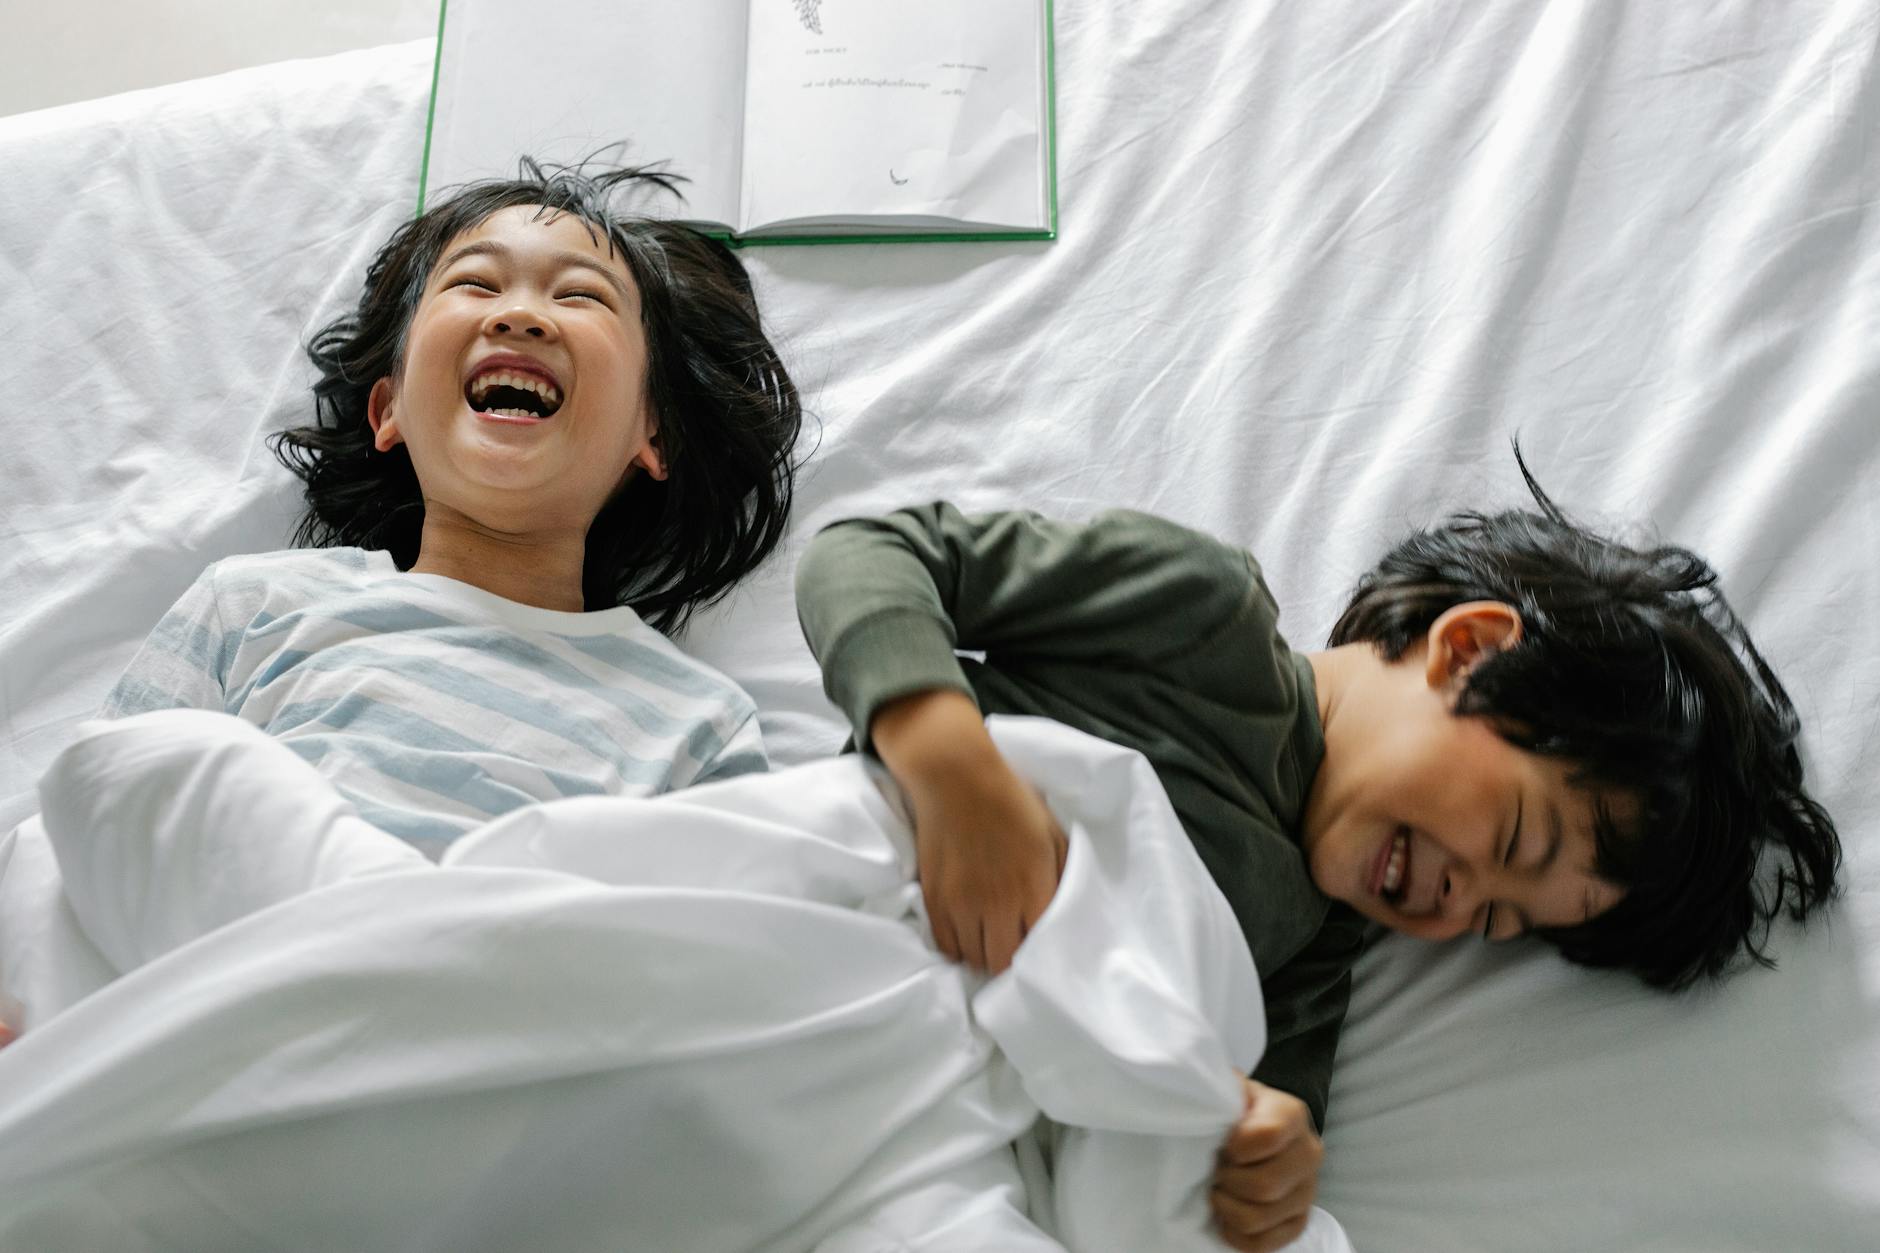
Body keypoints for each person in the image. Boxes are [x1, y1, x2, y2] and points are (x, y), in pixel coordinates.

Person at [791, 459, 1843, 1253]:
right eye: (1513, 840)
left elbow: (1238, 1112)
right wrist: (947, 759)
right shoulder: (1199, 616)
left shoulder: (1312, 945)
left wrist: (1262, 1148)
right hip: (850, 913)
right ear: (1467, 647)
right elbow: (870, 552)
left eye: (1492, 920)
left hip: (949, 1108)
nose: (1456, 896)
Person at [93, 158, 803, 857]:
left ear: (653, 433)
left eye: (581, 296)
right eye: (475, 283)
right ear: (389, 408)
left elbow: (724, 950)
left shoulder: (695, 724)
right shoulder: (252, 608)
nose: (521, 315)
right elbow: (96, 826)